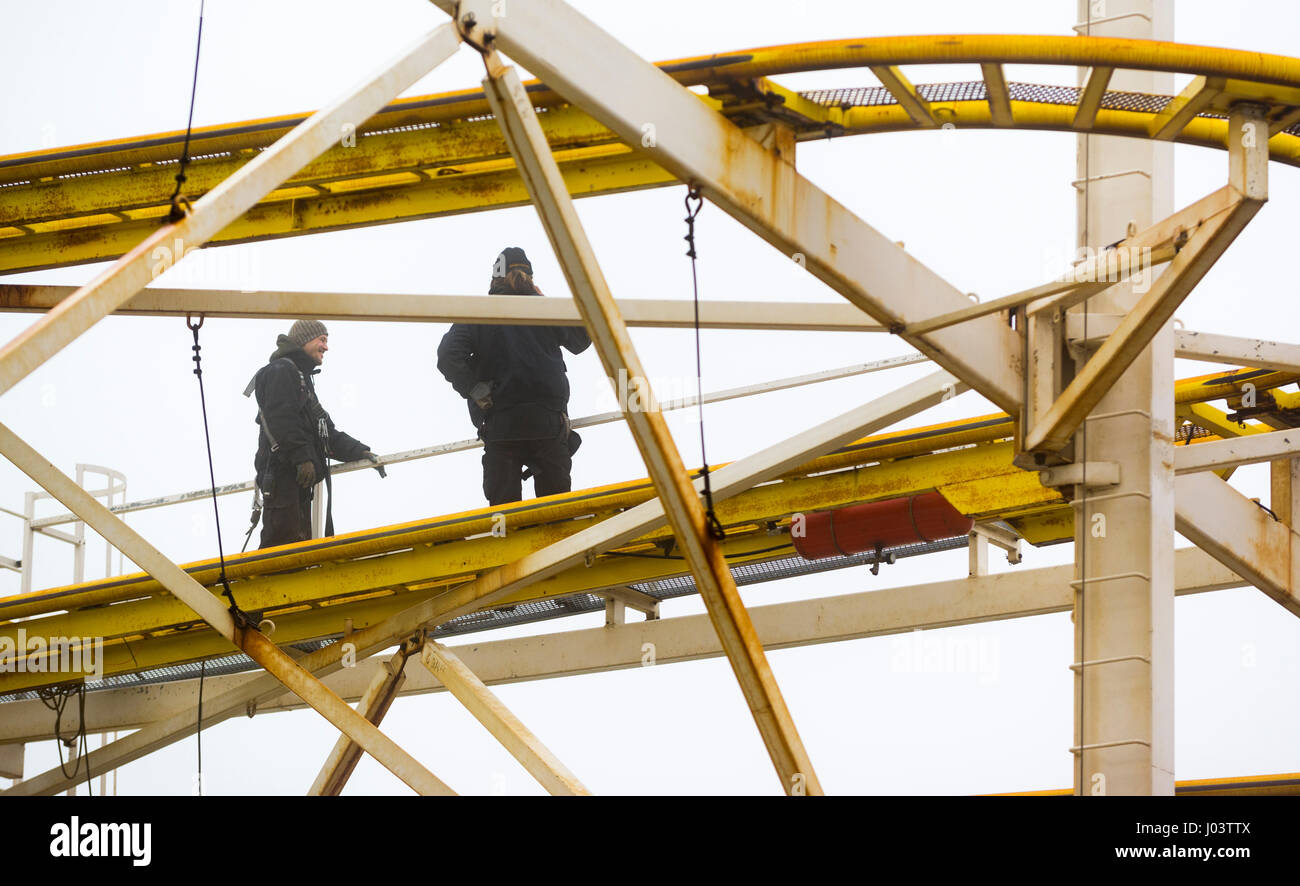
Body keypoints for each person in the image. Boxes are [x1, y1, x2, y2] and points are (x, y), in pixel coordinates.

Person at [437, 247, 591, 506]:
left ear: (494, 278)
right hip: (548, 424)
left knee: (506, 516)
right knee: (557, 514)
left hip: (502, 424)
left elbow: (448, 355)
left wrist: (475, 389)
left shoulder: (480, 313)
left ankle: (508, 537)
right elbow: (581, 340)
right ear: (530, 276)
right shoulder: (543, 308)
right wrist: (543, 299)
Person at [246, 319, 383, 549]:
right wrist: (302, 458)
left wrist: (361, 451)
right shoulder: (280, 371)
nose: (326, 347)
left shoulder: (301, 379)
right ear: (305, 340)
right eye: (322, 340)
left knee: (298, 549)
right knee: (280, 551)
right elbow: (281, 418)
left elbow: (326, 433)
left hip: (297, 482)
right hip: (282, 479)